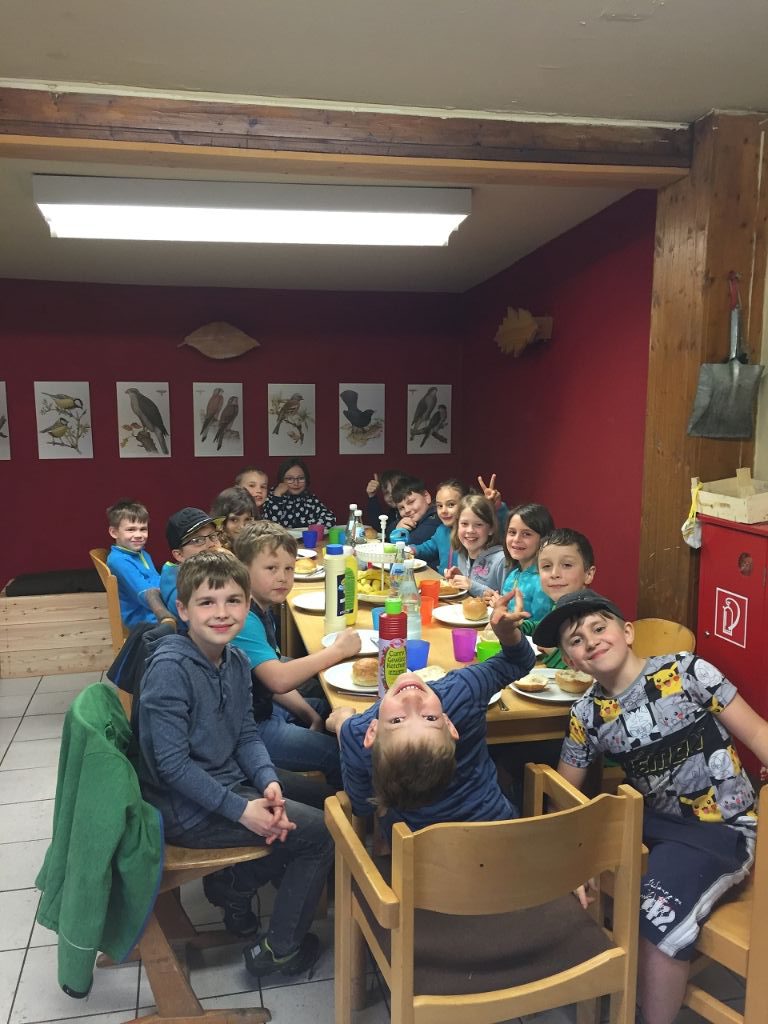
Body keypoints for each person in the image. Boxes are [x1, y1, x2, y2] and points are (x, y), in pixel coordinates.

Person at [533, 589, 768, 1024]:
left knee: (655, 918)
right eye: (577, 640)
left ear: (627, 632)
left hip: (722, 828)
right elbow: (566, 796)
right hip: (652, 825)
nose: (591, 641)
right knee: (556, 869)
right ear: (571, 662)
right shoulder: (587, 714)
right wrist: (576, 856)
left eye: (598, 628)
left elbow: (757, 734)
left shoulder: (687, 671)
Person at [137, 550, 333, 979]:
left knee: (327, 800)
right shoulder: (170, 669)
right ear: (183, 610)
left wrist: (267, 780)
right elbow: (171, 766)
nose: (222, 613)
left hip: (228, 779)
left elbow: (245, 734)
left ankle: (235, 885)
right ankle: (280, 950)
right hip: (183, 807)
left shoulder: (236, 661)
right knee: (320, 834)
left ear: (248, 606)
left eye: (233, 601)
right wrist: (243, 810)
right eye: (207, 602)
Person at [326, 589, 535, 838]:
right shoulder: (461, 691)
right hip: (506, 840)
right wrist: (507, 634)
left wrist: (341, 723)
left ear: (373, 732)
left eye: (398, 720)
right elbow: (519, 662)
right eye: (430, 718)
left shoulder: (355, 732)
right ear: (448, 724)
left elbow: (361, 806)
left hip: (416, 855)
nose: (412, 700)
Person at [231, 522, 360, 788]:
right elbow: (278, 679)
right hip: (249, 730)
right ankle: (341, 807)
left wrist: (310, 716)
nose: (283, 577)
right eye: (271, 568)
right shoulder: (244, 617)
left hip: (264, 709)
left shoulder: (261, 606)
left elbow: (268, 676)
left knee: (326, 710)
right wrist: (338, 651)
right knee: (341, 753)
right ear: (243, 570)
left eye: (289, 568)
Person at [106, 499, 173, 628]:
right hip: (143, 617)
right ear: (114, 532)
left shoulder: (142, 554)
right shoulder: (118, 560)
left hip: (151, 608)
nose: (138, 535)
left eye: (143, 529)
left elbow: (154, 579)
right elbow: (143, 594)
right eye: (131, 529)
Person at [159, 506, 223, 628]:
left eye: (213, 536)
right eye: (197, 540)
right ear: (179, 555)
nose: (211, 544)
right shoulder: (181, 593)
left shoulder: (211, 574)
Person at [492, 503, 555, 620]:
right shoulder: (513, 574)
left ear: (544, 539)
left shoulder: (543, 582)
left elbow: (541, 627)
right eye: (512, 532)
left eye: (526, 534)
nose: (516, 539)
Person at [444, 493, 506, 597]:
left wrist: (471, 585)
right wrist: (460, 580)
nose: (470, 530)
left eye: (478, 524)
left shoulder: (501, 560)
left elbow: (507, 602)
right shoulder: (462, 554)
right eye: (464, 524)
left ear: (491, 529)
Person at [409, 477, 467, 574]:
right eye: (440, 506)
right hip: (443, 580)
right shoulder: (441, 530)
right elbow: (429, 548)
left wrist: (493, 506)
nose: (443, 511)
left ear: (465, 504)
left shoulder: (471, 533)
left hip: (463, 581)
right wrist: (413, 550)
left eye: (451, 504)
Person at [261, 459, 335, 530]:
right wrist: (277, 496)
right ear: (281, 480)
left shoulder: (309, 498)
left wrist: (297, 526)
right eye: (290, 479)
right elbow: (269, 526)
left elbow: (330, 519)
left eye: (301, 478)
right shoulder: (271, 496)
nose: (296, 483)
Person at [390, 475, 440, 552]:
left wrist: (398, 533)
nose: (407, 510)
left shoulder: (436, 517)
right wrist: (397, 528)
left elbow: (413, 541)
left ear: (426, 497)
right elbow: (388, 529)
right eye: (401, 508)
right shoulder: (410, 519)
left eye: (411, 502)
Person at [364, 469, 404, 539]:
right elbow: (379, 528)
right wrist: (372, 496)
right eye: (386, 493)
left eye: (395, 490)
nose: (391, 495)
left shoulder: (411, 513)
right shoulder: (393, 512)